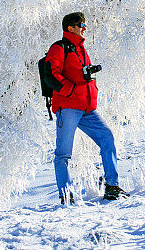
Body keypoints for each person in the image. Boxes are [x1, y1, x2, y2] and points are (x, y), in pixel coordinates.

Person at [46, 11, 129, 204]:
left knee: (107, 137)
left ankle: (112, 187)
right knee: (63, 154)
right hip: (67, 108)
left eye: (84, 24)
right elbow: (52, 74)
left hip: (87, 109)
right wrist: (71, 89)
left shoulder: (81, 50)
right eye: (81, 24)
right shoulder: (59, 48)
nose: (84, 27)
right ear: (70, 27)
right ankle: (66, 196)